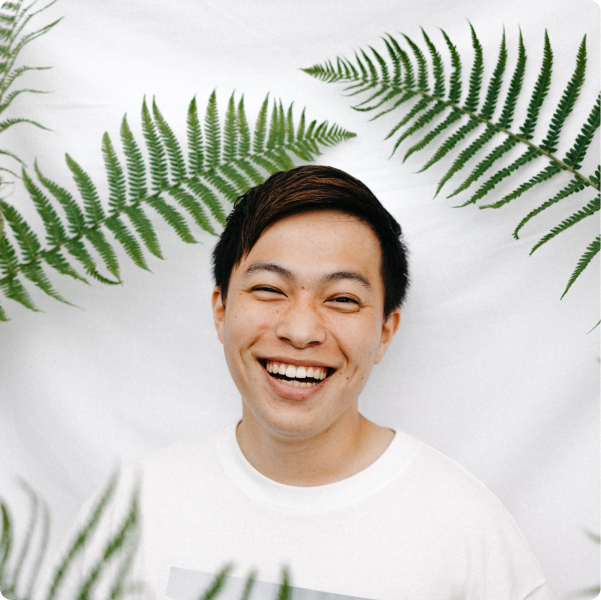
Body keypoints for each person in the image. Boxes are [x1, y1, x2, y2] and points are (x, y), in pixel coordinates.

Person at [62, 165, 554, 600]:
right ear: (221, 310)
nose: (300, 331)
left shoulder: (467, 531)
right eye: (269, 290)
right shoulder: (130, 512)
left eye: (341, 299)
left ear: (384, 332)